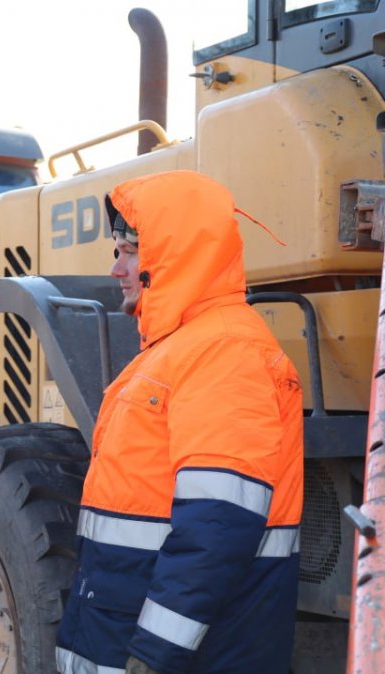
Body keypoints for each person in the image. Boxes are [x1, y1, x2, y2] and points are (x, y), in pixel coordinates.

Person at [55, 170, 303, 674]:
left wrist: (152, 653)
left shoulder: (226, 352)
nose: (115, 268)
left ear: (171, 254)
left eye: (127, 251)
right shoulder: (183, 348)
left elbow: (217, 525)